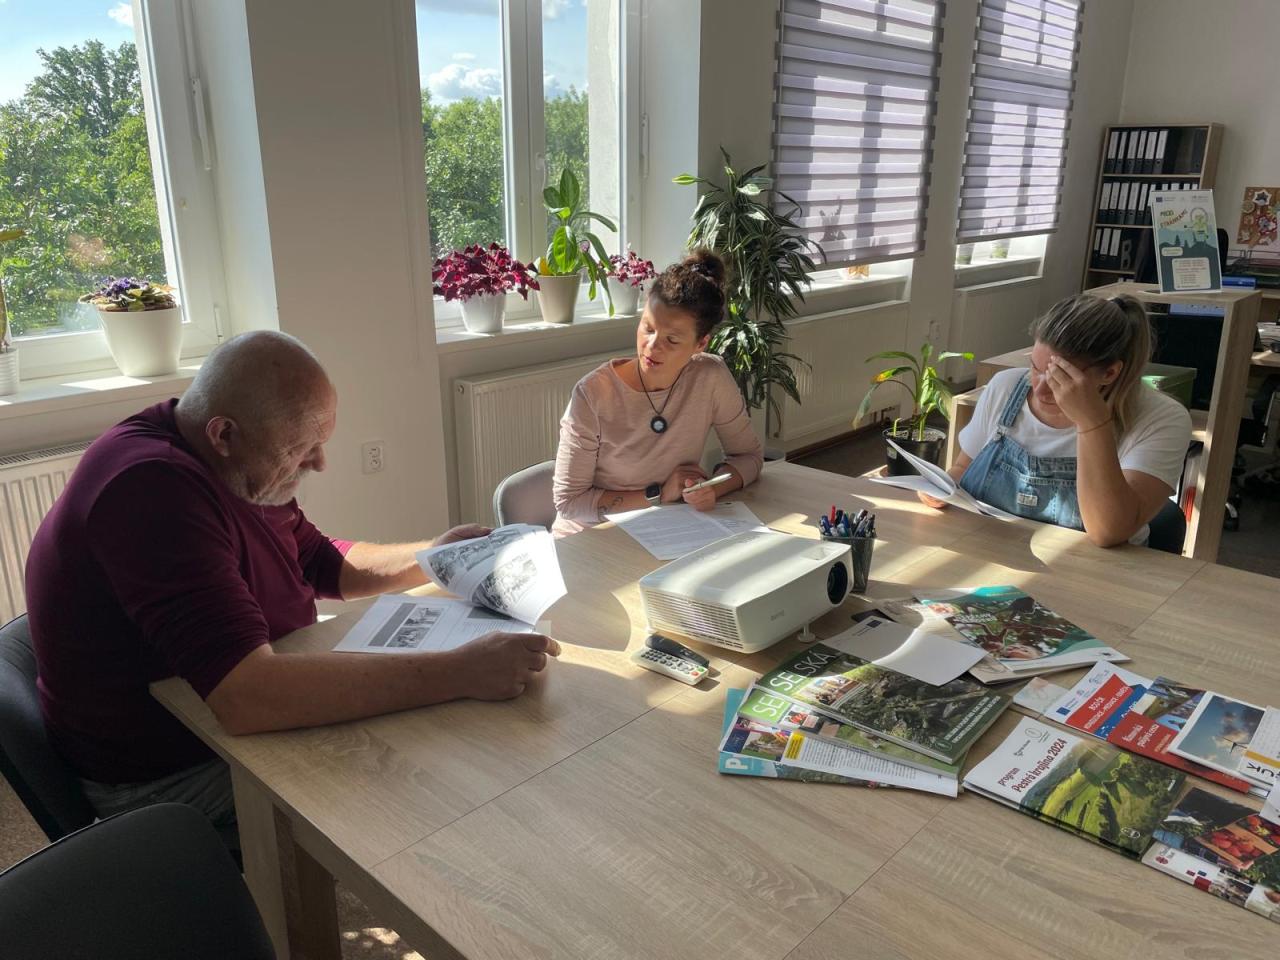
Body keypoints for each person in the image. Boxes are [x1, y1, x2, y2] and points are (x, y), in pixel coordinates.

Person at [25, 330, 560, 848]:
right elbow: (247, 698)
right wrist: (460, 671)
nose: (320, 463)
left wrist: (434, 557)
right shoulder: (152, 492)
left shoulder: (225, 458)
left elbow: (319, 560)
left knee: (437, 722)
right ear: (224, 434)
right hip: (165, 772)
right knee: (424, 765)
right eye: (302, 447)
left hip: (212, 703)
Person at [923, 293, 1191, 547]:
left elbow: (1108, 531)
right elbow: (963, 467)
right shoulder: (1006, 387)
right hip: (989, 548)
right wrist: (943, 487)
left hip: (1094, 570)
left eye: (1059, 377)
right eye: (1035, 368)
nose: (1039, 390)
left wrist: (1092, 423)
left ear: (1109, 373)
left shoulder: (1161, 419)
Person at [552, 250, 764, 535]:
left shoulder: (709, 376)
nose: (652, 346)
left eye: (672, 339)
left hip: (666, 530)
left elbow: (749, 457)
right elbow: (569, 503)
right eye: (648, 328)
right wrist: (660, 494)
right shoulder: (593, 394)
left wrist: (711, 489)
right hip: (589, 537)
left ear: (701, 344)